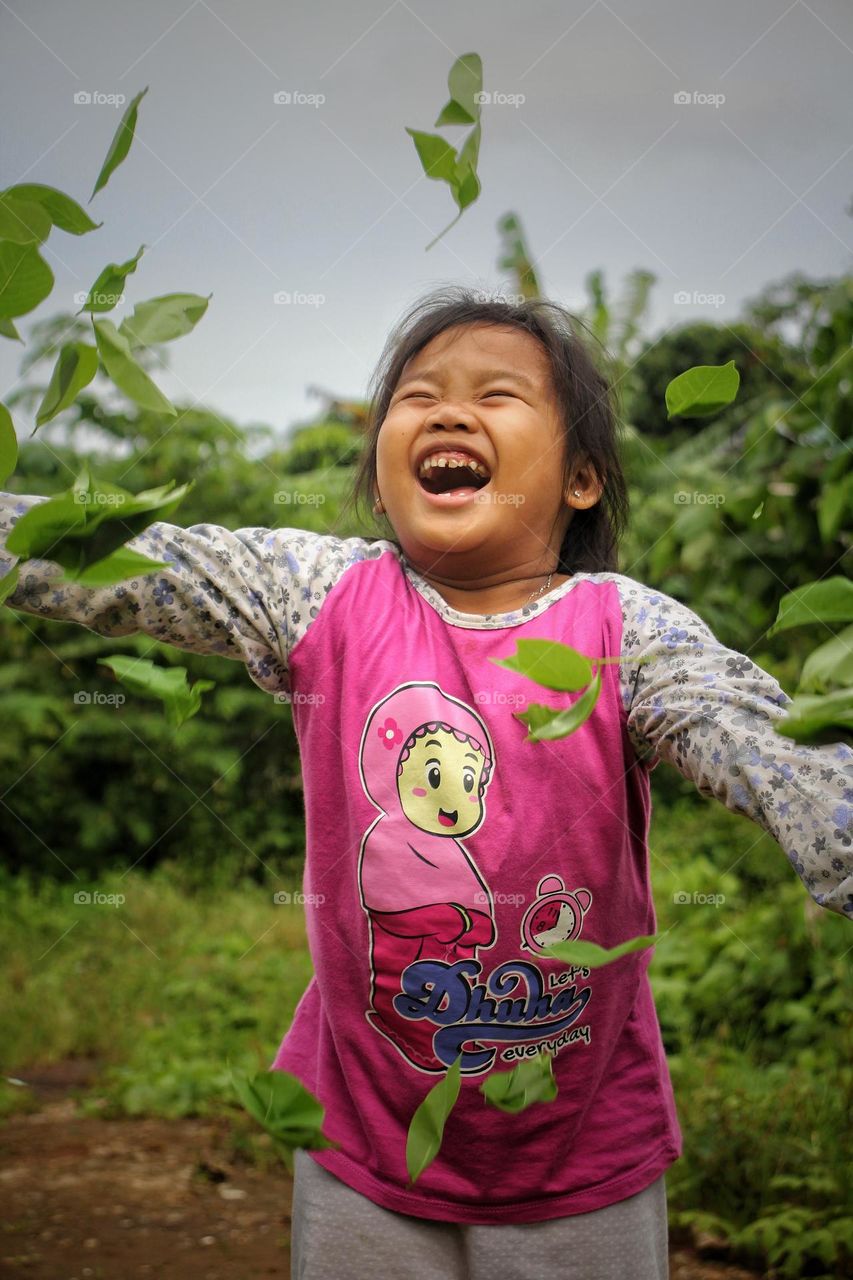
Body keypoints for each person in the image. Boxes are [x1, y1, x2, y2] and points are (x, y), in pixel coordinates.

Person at [1, 289, 850, 1280]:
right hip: (363, 1142)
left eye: (497, 393)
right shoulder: (322, 595)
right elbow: (139, 562)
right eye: (417, 395)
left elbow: (743, 727)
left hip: (581, 1152)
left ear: (580, 478)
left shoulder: (626, 628)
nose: (448, 412)